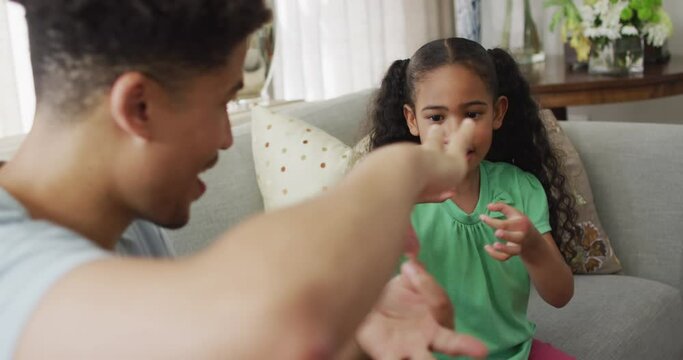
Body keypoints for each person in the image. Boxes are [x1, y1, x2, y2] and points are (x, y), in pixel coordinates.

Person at [0, 1, 488, 359]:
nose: (226, 139)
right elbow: (276, 315)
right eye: (222, 105)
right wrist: (407, 167)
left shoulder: (128, 224)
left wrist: (356, 338)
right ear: (138, 108)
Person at [368, 37, 580, 359]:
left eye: (472, 115)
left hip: (515, 353)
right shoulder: (396, 194)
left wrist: (533, 245)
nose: (457, 132)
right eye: (437, 118)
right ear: (412, 120)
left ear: (497, 112)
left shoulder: (521, 188)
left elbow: (561, 294)